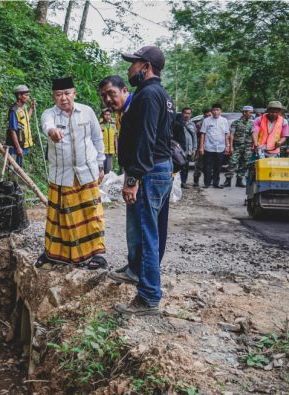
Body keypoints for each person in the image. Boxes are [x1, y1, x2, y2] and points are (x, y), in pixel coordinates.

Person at [107, 45, 174, 316]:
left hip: (149, 172)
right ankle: (136, 271)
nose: (129, 69)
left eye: (133, 64)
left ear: (145, 66)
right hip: (159, 170)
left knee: (148, 233)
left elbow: (146, 140)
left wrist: (133, 177)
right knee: (149, 228)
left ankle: (148, 297)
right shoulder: (160, 94)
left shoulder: (147, 95)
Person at [36, 77, 107, 269]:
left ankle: (98, 254)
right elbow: (47, 125)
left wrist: (101, 165)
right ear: (54, 96)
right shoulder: (49, 114)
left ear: (74, 93)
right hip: (62, 175)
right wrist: (52, 132)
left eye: (67, 93)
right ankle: (53, 254)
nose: (63, 98)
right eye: (59, 95)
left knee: (92, 215)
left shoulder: (87, 112)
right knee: (59, 217)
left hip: (87, 173)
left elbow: (97, 138)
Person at [199, 103, 230, 188]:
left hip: (220, 148)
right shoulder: (207, 120)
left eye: (217, 110)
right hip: (208, 147)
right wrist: (201, 147)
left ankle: (216, 183)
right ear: (211, 111)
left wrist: (228, 146)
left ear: (221, 111)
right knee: (207, 167)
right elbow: (203, 134)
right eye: (214, 110)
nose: (215, 112)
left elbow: (226, 134)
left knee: (218, 167)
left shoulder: (224, 121)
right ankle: (207, 183)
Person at [223, 105, 254, 187]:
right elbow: (231, 135)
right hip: (237, 146)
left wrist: (253, 146)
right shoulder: (236, 123)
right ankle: (228, 180)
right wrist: (230, 146)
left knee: (244, 164)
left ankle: (239, 181)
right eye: (250, 112)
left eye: (251, 112)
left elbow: (254, 135)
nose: (251, 114)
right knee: (232, 162)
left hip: (248, 147)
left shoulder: (252, 123)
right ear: (244, 112)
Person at [6, 85, 36, 167]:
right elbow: (12, 130)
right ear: (19, 96)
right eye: (26, 95)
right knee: (13, 168)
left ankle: (17, 180)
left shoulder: (23, 107)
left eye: (28, 95)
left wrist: (32, 108)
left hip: (22, 144)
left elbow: (25, 120)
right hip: (15, 146)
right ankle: (11, 180)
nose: (28, 97)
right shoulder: (14, 110)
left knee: (19, 168)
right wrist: (18, 147)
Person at [172, 107, 196, 188]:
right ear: (182, 114)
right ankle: (175, 182)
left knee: (186, 167)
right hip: (178, 151)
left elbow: (194, 137)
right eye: (185, 113)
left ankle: (183, 182)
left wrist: (194, 149)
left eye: (189, 113)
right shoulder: (176, 124)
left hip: (188, 150)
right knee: (177, 166)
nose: (187, 115)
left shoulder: (192, 124)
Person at [192, 108, 211, 187]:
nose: (208, 117)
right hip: (201, 145)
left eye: (209, 115)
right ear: (204, 115)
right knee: (198, 164)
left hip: (210, 146)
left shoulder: (213, 122)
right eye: (207, 115)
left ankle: (208, 181)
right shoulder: (199, 124)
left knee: (209, 165)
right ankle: (196, 181)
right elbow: (195, 136)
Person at [100, 108, 118, 174]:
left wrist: (116, 150)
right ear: (103, 115)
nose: (107, 116)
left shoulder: (113, 124)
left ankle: (106, 184)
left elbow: (115, 138)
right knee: (101, 170)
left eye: (109, 114)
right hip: (102, 152)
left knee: (109, 171)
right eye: (106, 115)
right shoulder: (100, 124)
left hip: (110, 151)